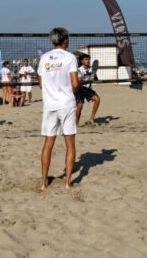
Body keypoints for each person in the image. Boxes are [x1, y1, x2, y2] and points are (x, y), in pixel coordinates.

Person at [37, 28, 79, 191]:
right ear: (65, 39)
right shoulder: (70, 57)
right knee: (70, 143)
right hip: (66, 103)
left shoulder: (44, 58)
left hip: (50, 105)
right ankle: (67, 182)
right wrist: (69, 92)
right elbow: (75, 84)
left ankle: (43, 183)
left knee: (48, 143)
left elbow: (41, 84)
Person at [75, 53, 101, 126]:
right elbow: (78, 81)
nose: (88, 61)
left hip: (88, 89)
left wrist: (94, 75)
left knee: (97, 99)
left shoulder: (92, 69)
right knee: (80, 106)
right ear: (82, 61)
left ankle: (91, 119)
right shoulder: (79, 70)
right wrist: (89, 79)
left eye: (89, 59)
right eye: (86, 59)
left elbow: (96, 79)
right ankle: (76, 123)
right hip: (80, 89)